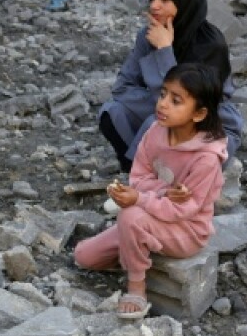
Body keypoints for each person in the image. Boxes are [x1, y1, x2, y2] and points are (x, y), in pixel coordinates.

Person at [75, 63, 228, 319]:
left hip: (186, 231)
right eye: (163, 94)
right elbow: (139, 176)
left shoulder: (206, 159)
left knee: (129, 216)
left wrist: (141, 199)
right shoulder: (155, 131)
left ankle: (136, 287)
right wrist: (163, 192)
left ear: (199, 114)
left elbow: (184, 209)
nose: (163, 104)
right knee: (83, 256)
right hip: (153, 214)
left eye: (176, 100)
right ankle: (135, 249)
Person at [98, 0, 244, 172]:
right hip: (167, 111)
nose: (154, 6)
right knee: (113, 111)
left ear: (185, 2)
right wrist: (164, 103)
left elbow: (190, 103)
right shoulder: (148, 35)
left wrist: (165, 50)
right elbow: (122, 88)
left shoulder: (210, 45)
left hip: (209, 120)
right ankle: (141, 169)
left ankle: (145, 176)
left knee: (155, 123)